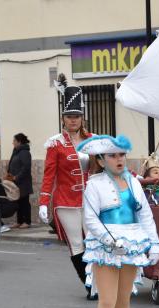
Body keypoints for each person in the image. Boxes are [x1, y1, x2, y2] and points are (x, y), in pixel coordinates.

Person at [76, 134, 159, 308]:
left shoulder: (134, 182)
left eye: (122, 154)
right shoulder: (94, 183)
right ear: (102, 161)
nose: (119, 160)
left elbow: (145, 215)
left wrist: (154, 244)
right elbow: (90, 218)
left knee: (124, 300)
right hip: (106, 246)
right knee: (107, 300)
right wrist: (109, 240)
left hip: (132, 241)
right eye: (112, 156)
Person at [39, 85, 94, 297]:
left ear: (82, 118)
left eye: (77, 116)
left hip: (90, 200)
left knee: (94, 241)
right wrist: (44, 202)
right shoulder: (55, 143)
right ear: (63, 118)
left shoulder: (93, 140)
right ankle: (89, 284)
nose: (73, 120)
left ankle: (98, 281)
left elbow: (107, 167)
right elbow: (48, 175)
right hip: (66, 203)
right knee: (77, 244)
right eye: (69, 116)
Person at [7, 133, 33, 229]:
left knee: (24, 202)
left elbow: (26, 167)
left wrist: (16, 177)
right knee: (18, 201)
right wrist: (9, 174)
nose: (12, 143)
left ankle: (27, 221)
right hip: (15, 181)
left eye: (14, 141)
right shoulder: (16, 151)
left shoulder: (24, 152)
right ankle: (19, 221)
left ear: (19, 142)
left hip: (23, 182)